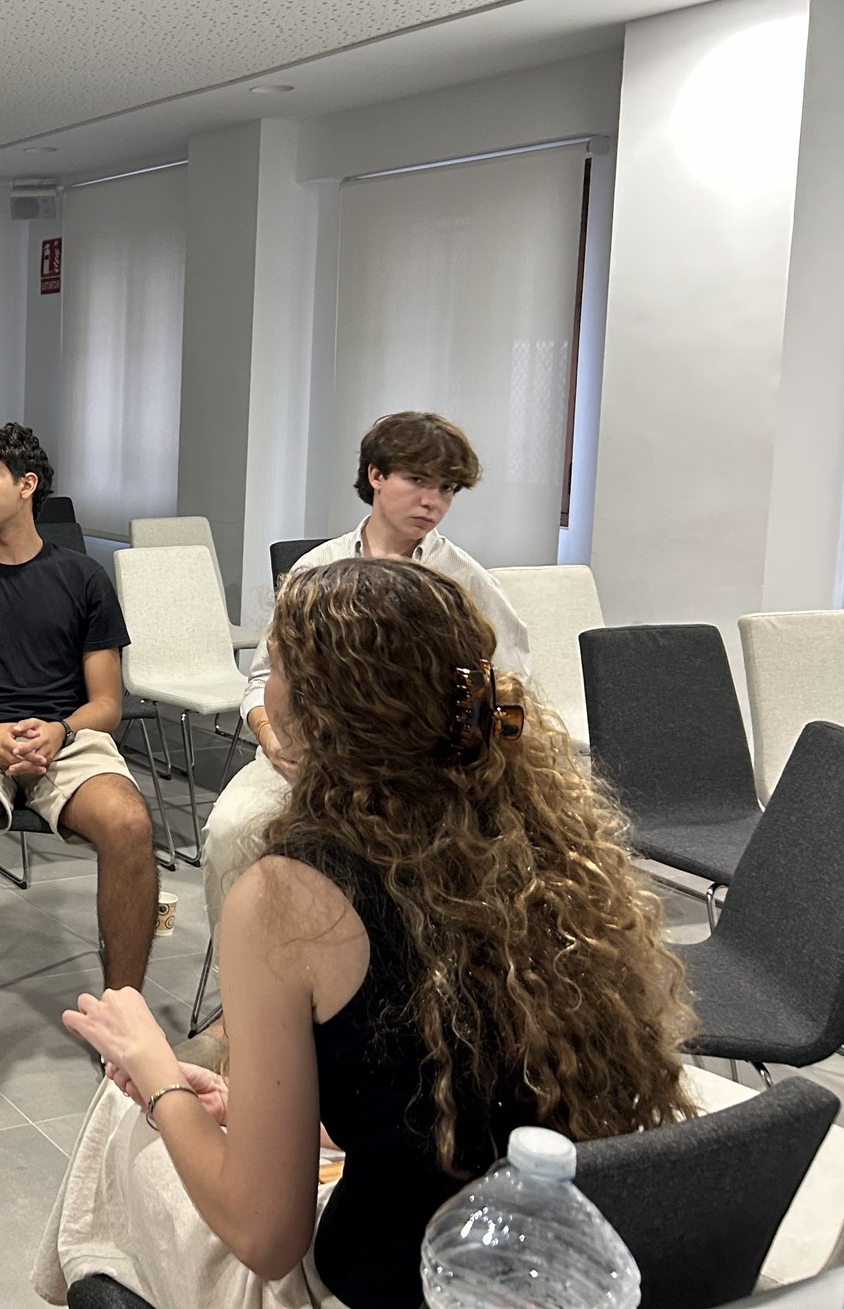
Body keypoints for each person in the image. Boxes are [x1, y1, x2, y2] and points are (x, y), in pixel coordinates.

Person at [35, 558, 695, 1309]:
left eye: (275, 667)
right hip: (544, 1273)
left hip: (393, 1285)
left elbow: (267, 1236)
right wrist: (258, 1111)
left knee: (119, 1125)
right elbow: (442, 1093)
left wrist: (155, 1072)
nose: (264, 690)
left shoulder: (286, 899)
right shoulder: (554, 858)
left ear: (318, 713)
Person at [200, 412, 530, 962]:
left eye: (447, 489)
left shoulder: (466, 581)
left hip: (417, 767)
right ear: (376, 475)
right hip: (308, 755)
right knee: (231, 831)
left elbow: (508, 690)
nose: (433, 502)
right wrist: (272, 739)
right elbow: (261, 680)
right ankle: (242, 988)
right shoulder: (317, 569)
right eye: (417, 481)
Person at [0, 424, 157, 1123]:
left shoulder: (82, 578)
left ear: (27, 485)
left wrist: (60, 730)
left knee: (130, 822)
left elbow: (106, 703)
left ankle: (125, 1024)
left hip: (61, 737)